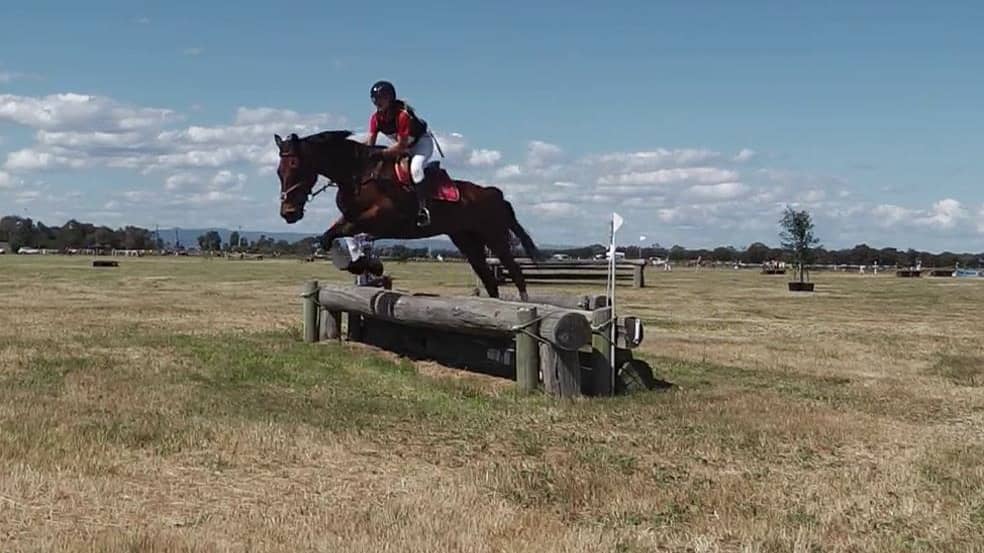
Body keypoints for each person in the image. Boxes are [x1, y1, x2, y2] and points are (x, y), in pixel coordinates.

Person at [365, 80, 439, 226]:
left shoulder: (402, 115)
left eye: (381, 98)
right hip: (403, 147)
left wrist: (381, 153)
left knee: (415, 169)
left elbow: (401, 145)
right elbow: (370, 143)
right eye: (375, 98)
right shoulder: (375, 118)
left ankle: (423, 209)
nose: (377, 102)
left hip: (421, 144)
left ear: (390, 98)